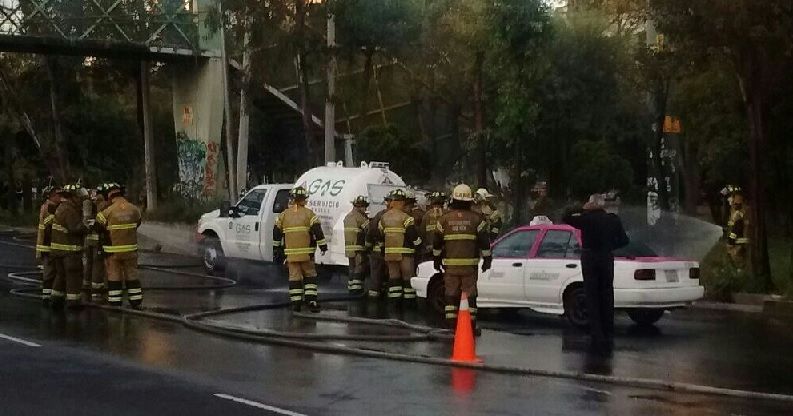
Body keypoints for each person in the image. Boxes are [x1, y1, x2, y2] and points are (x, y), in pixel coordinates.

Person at [563, 193, 629, 353]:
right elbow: (625, 240)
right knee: (607, 293)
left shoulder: (585, 219)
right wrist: (610, 246)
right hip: (607, 257)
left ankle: (596, 333)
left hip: (590, 257)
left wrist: (581, 207)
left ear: (591, 205)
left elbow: (565, 217)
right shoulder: (613, 219)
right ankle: (608, 330)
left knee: (592, 295)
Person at [433, 184, 491, 335]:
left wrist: (436, 259)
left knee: (450, 293)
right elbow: (484, 242)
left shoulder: (443, 220)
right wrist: (487, 259)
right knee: (470, 295)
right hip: (469, 267)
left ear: (453, 199)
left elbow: (437, 242)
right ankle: (469, 327)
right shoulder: (477, 219)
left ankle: (451, 327)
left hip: (450, 266)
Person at [273, 186, 327, 312]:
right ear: (304, 199)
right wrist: (323, 246)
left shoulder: (283, 215)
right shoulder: (309, 214)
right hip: (307, 255)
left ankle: (296, 303)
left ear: (292, 198)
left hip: (291, 255)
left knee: (294, 277)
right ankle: (311, 301)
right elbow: (317, 231)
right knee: (310, 276)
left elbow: (276, 232)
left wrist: (276, 249)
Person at [96, 183, 143, 309]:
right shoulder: (134, 209)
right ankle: (136, 301)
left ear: (110, 196)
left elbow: (97, 227)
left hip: (113, 251)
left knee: (114, 274)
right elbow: (138, 222)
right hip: (131, 250)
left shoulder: (107, 211)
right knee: (132, 274)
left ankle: (115, 302)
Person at [378, 189, 421, 303]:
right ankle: (409, 304)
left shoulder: (384, 217)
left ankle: (394, 303)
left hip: (390, 254)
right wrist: (419, 245)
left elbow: (380, 236)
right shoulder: (406, 217)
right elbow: (413, 234)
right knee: (408, 277)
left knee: (394, 277)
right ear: (402, 202)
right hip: (405, 253)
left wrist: (383, 249)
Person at [50, 184, 88, 310]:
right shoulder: (69, 210)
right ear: (72, 197)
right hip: (69, 252)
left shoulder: (62, 207)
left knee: (61, 275)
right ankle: (73, 302)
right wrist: (87, 227)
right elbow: (75, 228)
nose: (81, 200)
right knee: (73, 276)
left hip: (59, 251)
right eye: (79, 197)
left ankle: (56, 299)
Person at [35, 185, 60, 305]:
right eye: (57, 195)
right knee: (50, 272)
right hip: (48, 246)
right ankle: (47, 297)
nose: (59, 197)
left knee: (51, 272)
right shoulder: (48, 208)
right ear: (50, 196)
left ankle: (48, 296)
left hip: (48, 245)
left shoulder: (48, 206)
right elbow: (52, 224)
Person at [365, 194, 392, 299]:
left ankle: (374, 295)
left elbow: (371, 231)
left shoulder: (380, 215)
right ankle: (388, 295)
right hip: (391, 252)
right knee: (391, 273)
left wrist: (369, 246)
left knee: (376, 274)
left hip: (377, 252)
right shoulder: (401, 215)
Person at [344, 195, 370, 295]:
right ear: (359, 206)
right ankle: (357, 289)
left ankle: (351, 287)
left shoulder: (348, 216)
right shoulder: (360, 217)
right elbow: (368, 229)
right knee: (359, 266)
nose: (365, 209)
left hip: (349, 247)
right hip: (359, 246)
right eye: (364, 207)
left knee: (351, 267)